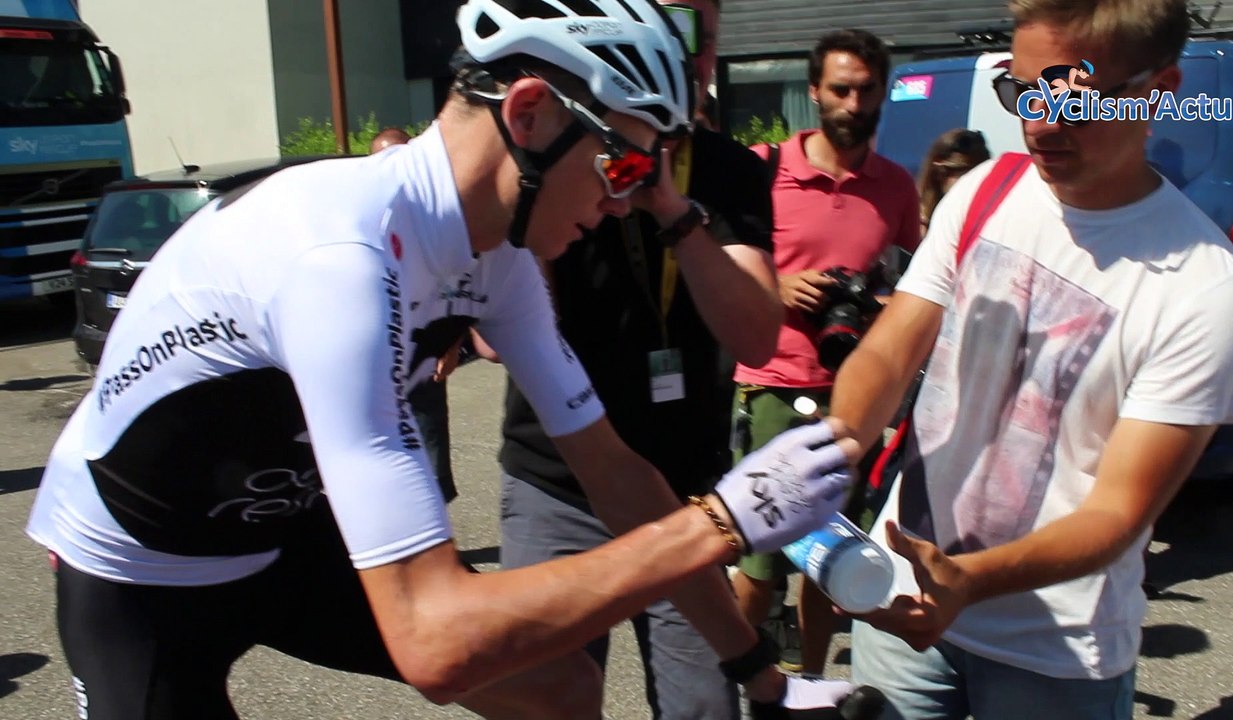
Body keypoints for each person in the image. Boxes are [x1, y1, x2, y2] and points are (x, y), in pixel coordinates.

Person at [23, 1, 862, 717]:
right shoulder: (338, 258)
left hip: (288, 535)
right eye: (624, 163)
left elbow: (615, 473)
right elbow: (434, 640)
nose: (621, 205)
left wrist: (759, 675)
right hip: (142, 566)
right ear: (528, 113)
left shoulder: (496, 261)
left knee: (556, 686)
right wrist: (721, 520)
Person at [828, 1, 1233, 717]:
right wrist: (835, 445)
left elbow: (1121, 511)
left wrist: (967, 581)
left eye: (1071, 98)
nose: (1040, 123)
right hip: (899, 603)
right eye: (1021, 90)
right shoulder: (986, 190)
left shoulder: (1205, 286)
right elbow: (889, 349)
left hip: (1056, 653)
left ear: (1160, 89)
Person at [496, 0, 781, 717]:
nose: (686, 59)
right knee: (549, 699)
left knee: (702, 707)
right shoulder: (566, 143)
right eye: (668, 35)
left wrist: (672, 210)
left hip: (684, 488)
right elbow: (502, 313)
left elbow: (756, 338)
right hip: (556, 479)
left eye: (703, 42)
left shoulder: (727, 171)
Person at [730, 28, 921, 676]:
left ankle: (810, 683)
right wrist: (778, 286)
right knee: (758, 565)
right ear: (814, 92)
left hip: (851, 396)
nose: (853, 102)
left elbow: (911, 285)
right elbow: (726, 271)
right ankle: (724, 680)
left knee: (829, 557)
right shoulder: (763, 169)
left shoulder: (896, 186)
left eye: (866, 89)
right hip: (771, 388)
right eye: (840, 88)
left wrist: (878, 303)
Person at [369, 126, 463, 505]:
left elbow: (459, 286)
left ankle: (444, 549)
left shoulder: (433, 219)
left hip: (424, 357)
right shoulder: (364, 217)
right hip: (376, 363)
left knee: (431, 448)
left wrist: (453, 344)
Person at [916, 128, 990, 236]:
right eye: (965, 173)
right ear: (939, 174)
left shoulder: (989, 222)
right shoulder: (916, 221)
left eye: (983, 174)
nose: (975, 183)